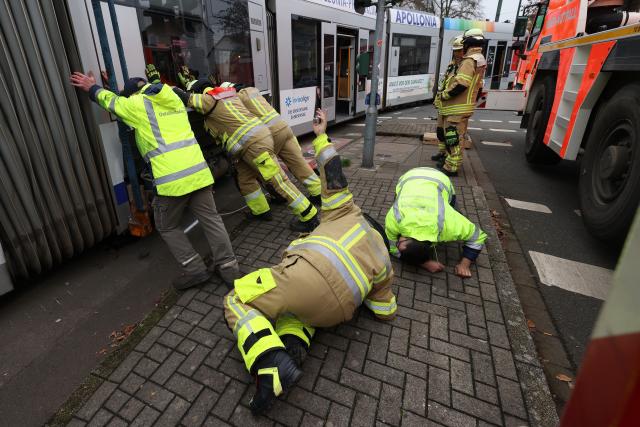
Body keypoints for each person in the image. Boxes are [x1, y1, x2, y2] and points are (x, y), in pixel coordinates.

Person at [222, 110, 396, 415]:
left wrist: (320, 135)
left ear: (367, 219)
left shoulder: (348, 213)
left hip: (305, 276)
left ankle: (268, 360)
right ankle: (291, 350)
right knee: (299, 313)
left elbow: (332, 169)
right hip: (335, 314)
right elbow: (385, 311)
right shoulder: (384, 261)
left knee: (237, 299)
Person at [69, 72, 239, 290]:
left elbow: (112, 102)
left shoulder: (137, 105)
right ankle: (229, 270)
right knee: (212, 220)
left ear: (132, 95)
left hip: (172, 182)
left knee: (167, 226)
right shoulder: (170, 96)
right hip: (199, 172)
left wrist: (92, 87)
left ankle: (196, 270)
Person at [174, 80, 319, 232]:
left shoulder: (209, 100)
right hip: (248, 147)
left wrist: (165, 87)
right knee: (245, 179)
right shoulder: (227, 95)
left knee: (278, 181)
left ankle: (309, 215)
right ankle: (261, 211)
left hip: (255, 147)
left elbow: (185, 97)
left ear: (198, 92)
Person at [384, 167, 487, 278]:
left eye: (399, 242)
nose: (397, 242)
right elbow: (392, 248)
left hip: (441, 180)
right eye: (400, 242)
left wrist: (464, 265)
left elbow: (478, 237)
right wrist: (424, 263)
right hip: (409, 177)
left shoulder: (449, 224)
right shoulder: (394, 217)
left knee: (450, 206)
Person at [233, 84, 322, 205]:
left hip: (268, 135)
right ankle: (318, 192)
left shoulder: (236, 100)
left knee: (266, 172)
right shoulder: (253, 91)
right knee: (298, 163)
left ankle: (275, 200)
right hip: (284, 128)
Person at [437, 28, 487, 176]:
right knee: (454, 137)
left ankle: (451, 168)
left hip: (456, 109)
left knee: (453, 139)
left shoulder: (469, 60)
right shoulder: (480, 59)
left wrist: (444, 95)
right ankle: (450, 164)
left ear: (467, 44)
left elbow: (461, 83)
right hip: (463, 107)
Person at [432, 35, 465, 165]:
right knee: (440, 131)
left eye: (460, 50)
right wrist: (437, 99)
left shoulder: (465, 65)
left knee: (451, 135)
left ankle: (450, 160)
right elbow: (443, 83)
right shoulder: (452, 65)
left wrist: (445, 96)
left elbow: (460, 85)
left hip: (453, 106)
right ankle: (442, 153)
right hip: (444, 106)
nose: (457, 53)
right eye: (455, 50)